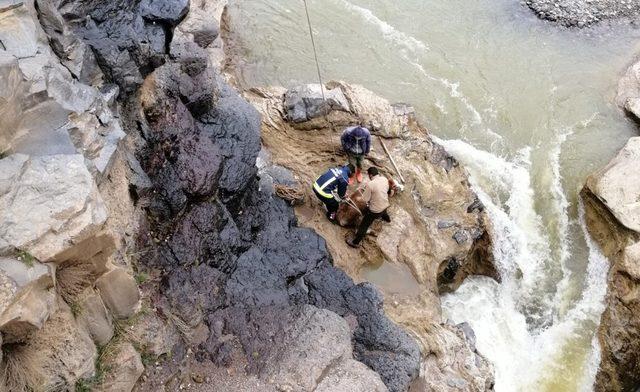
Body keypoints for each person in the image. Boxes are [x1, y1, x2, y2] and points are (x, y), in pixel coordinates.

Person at [346, 167, 391, 248]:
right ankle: (387, 219)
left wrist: (357, 198)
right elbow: (387, 190)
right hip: (385, 204)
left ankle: (355, 242)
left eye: (368, 175)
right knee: (383, 210)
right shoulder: (384, 179)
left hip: (375, 211)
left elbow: (364, 199)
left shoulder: (370, 184)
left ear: (370, 175)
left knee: (364, 225)